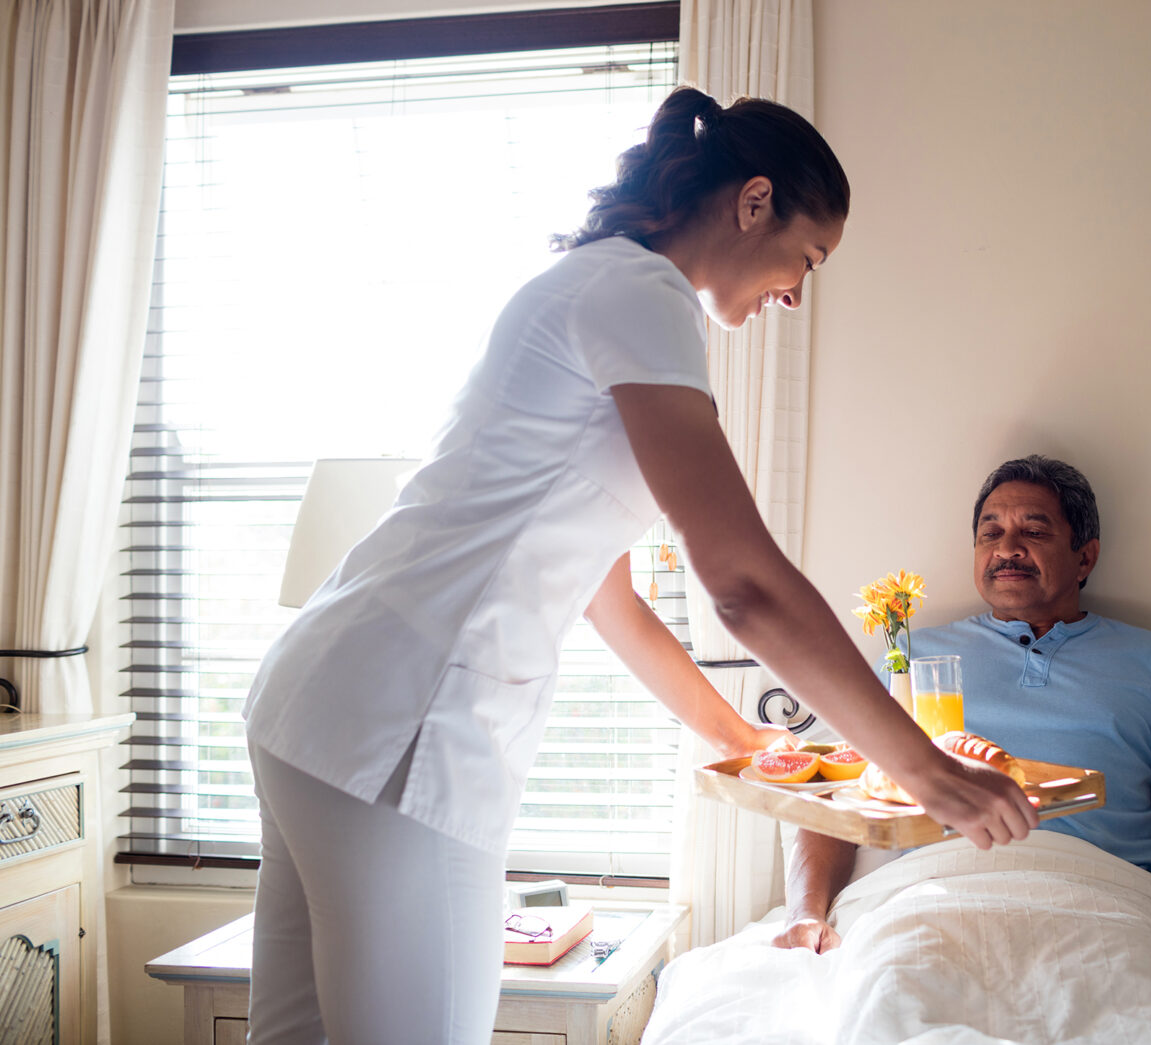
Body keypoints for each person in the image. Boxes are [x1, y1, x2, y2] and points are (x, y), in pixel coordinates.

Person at [239, 87, 1036, 1045]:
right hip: (399, 727)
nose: (793, 292)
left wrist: (740, 736)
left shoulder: (595, 286)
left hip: (320, 702)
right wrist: (923, 769)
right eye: (807, 259)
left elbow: (604, 590)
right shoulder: (642, 293)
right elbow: (741, 582)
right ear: (752, 203)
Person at [773, 455, 1151, 1012]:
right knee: (892, 1009)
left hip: (1104, 899)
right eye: (990, 532)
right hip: (933, 892)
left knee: (1148, 1021)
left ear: (1085, 557)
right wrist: (806, 913)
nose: (1007, 547)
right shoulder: (909, 657)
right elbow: (841, 794)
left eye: (1033, 531)